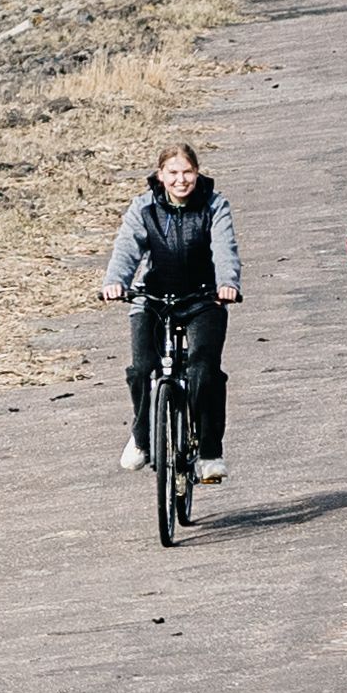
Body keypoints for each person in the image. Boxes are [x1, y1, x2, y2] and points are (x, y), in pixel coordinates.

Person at [101, 140, 238, 479]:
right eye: (173, 172)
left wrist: (228, 283)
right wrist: (115, 281)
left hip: (204, 298)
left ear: (197, 172)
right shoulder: (143, 208)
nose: (181, 180)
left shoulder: (214, 206)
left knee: (203, 371)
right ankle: (141, 438)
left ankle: (208, 452)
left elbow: (225, 248)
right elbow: (126, 249)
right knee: (141, 368)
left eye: (188, 172)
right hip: (152, 297)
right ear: (160, 175)